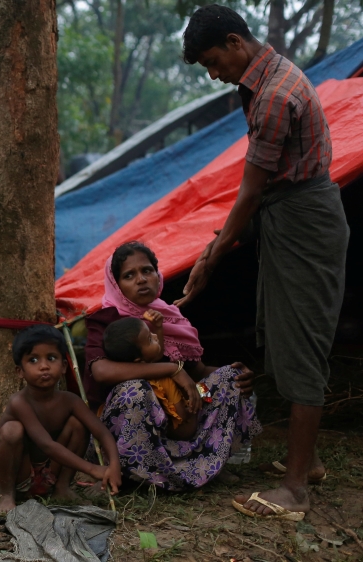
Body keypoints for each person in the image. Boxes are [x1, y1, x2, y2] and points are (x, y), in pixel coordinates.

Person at [178, 5, 349, 520]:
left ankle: (296, 491)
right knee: (279, 328)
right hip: (285, 213)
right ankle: (309, 461)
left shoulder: (276, 94)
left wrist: (212, 257)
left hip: (304, 220)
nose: (213, 73)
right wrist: (214, 245)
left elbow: (250, 192)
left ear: (235, 42)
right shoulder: (262, 80)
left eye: (213, 60)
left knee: (302, 344)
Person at [84, 241, 261, 491]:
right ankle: (132, 473)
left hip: (180, 410)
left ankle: (206, 463)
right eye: (129, 275)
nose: (141, 280)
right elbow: (102, 372)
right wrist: (171, 370)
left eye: (147, 271)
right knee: (135, 390)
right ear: (116, 284)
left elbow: (197, 373)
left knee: (225, 381)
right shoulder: (104, 321)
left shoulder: (171, 317)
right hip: (126, 431)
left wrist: (235, 375)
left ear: (159, 275)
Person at [0, 325, 121, 514]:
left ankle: (62, 488)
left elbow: (101, 432)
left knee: (78, 424)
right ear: (20, 371)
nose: (44, 366)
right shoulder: (19, 402)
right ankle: (7, 495)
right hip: (20, 472)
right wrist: (93, 469)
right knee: (12, 430)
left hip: (49, 471)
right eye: (33, 360)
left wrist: (114, 466)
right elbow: (46, 445)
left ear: (64, 366)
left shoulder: (70, 400)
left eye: (51, 358)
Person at [103, 311, 200, 439]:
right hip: (181, 432)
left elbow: (157, 352)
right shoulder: (164, 379)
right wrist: (198, 402)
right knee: (203, 390)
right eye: (150, 339)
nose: (155, 336)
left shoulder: (127, 378)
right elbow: (182, 415)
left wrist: (158, 327)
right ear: (139, 360)